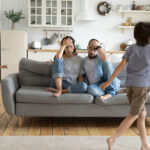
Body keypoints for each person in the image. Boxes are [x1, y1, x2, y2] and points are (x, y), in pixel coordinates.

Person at [100, 22, 150, 150]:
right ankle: (113, 139)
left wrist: (109, 82)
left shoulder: (131, 48)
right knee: (134, 115)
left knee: (141, 114)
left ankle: (144, 144)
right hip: (142, 86)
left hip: (130, 85)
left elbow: (120, 67)